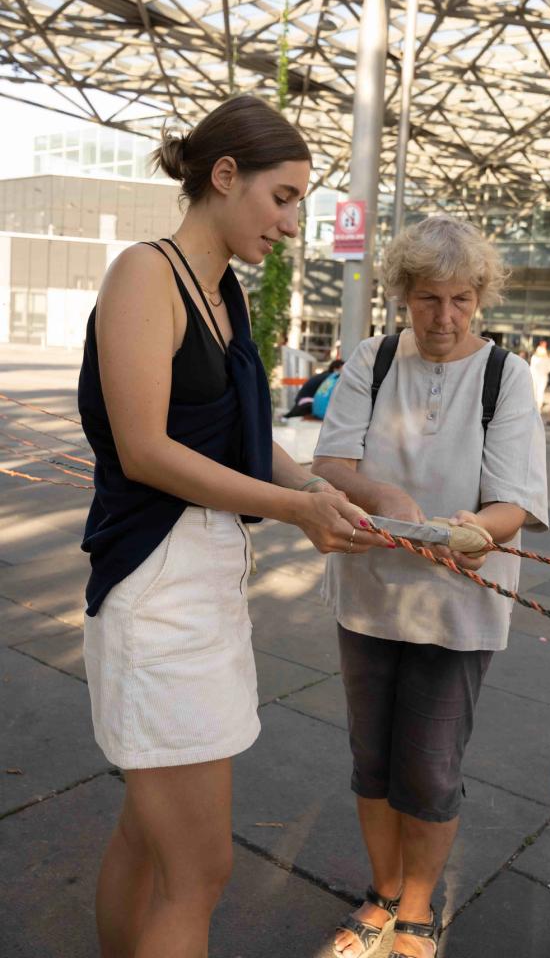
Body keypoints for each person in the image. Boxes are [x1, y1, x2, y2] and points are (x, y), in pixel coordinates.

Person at [77, 94, 390, 958]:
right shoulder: (147, 272)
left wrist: (327, 496)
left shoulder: (223, 294)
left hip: (204, 586)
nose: (292, 222)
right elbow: (144, 449)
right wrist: (296, 508)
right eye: (283, 196)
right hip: (157, 589)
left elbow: (246, 447)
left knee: (149, 840)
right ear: (224, 177)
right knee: (201, 871)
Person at [312, 215, 548, 958]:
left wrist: (482, 530)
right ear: (402, 297)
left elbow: (515, 498)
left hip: (459, 603)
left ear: (479, 298)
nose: (444, 318)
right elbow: (331, 463)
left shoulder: (506, 376)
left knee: (432, 764)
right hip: (370, 593)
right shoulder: (372, 360)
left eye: (460, 300)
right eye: (428, 300)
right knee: (372, 760)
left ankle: (417, 906)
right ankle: (383, 894)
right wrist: (385, 500)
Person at [529, 340, 550, 412]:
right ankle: (535, 407)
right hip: (536, 376)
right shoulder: (535, 357)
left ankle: (538, 407)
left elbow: (549, 368)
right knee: (535, 391)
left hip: (542, 377)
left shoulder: (546, 358)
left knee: (539, 392)